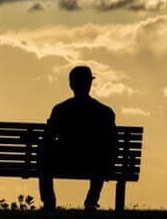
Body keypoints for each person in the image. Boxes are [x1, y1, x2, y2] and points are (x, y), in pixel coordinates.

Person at [38, 66, 117, 211]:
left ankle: (49, 202)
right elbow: (112, 143)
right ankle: (91, 201)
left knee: (43, 157)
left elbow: (48, 138)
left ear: (71, 85)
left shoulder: (60, 109)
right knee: (101, 157)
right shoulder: (104, 112)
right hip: (93, 162)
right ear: (90, 83)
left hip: (63, 160)